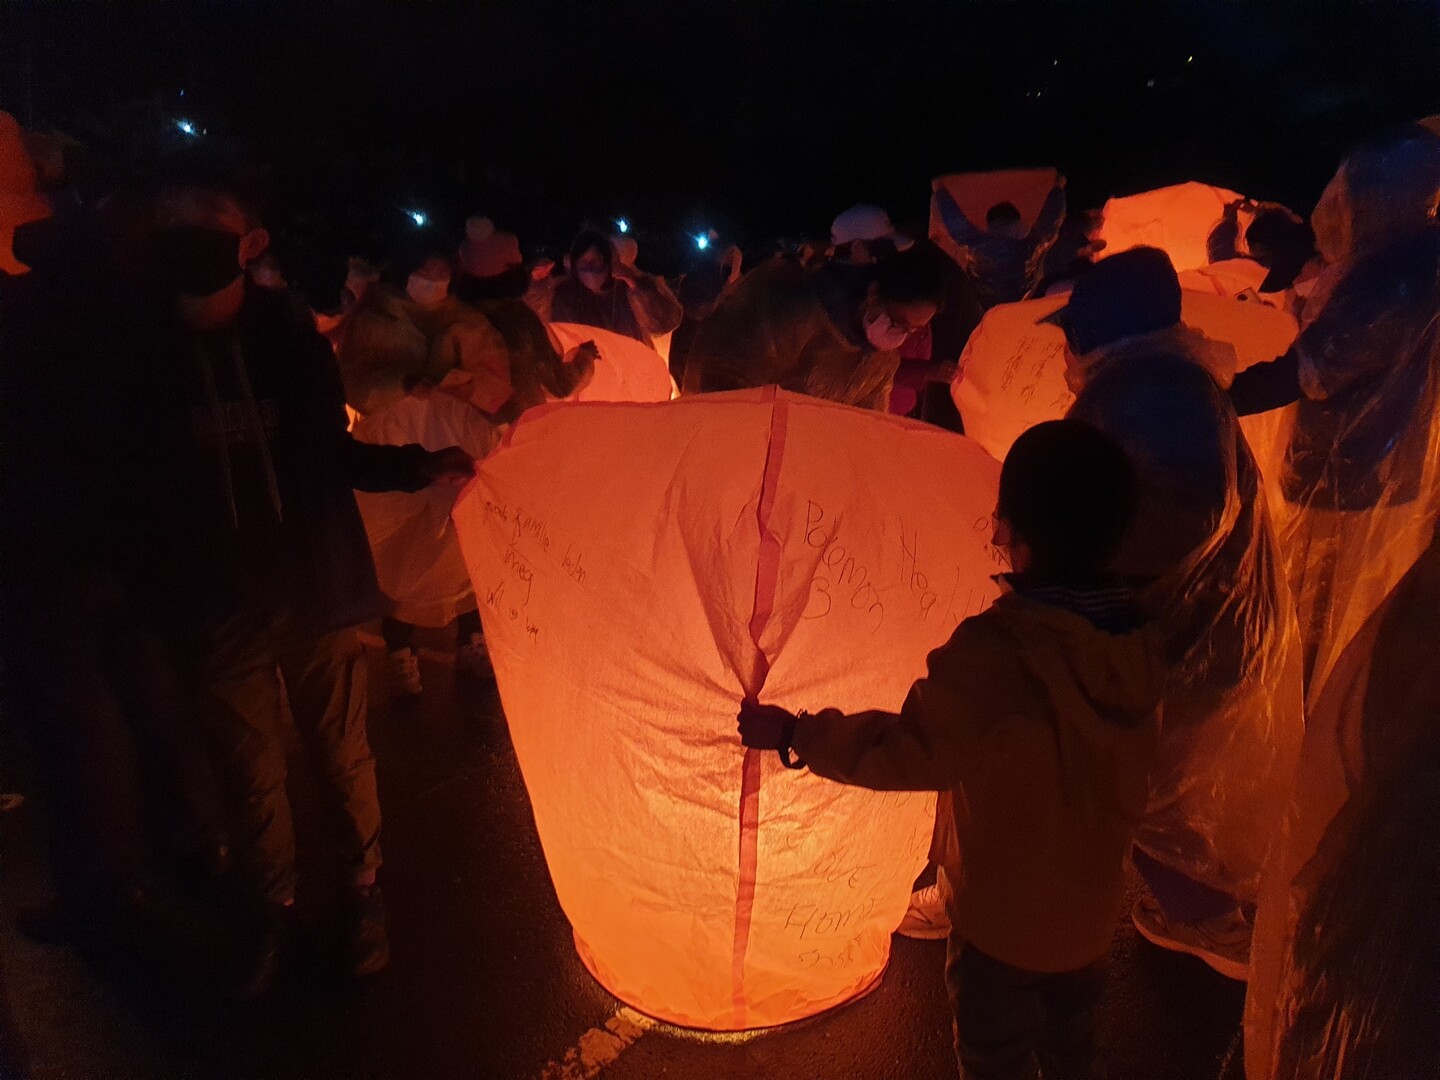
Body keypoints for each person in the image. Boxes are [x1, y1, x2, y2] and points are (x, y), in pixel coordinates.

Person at [131, 160, 474, 996]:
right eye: (170, 228)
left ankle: (362, 899)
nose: (186, 247)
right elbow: (128, 482)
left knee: (339, 755)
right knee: (250, 772)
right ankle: (273, 910)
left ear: (246, 245)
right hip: (215, 609)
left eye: (203, 230)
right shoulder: (141, 350)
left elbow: (330, 451)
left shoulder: (284, 334)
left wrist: (419, 466)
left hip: (313, 589)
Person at [739, 420, 1162, 1080]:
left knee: (994, 1055)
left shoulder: (1002, 655)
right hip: (1087, 921)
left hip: (1001, 924)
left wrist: (797, 734)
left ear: (1007, 531)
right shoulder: (1145, 644)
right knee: (1070, 1049)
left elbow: (911, 750)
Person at [1049, 247, 1305, 981]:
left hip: (1171, 639)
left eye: (1076, 327)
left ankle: (1206, 923)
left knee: (1138, 785)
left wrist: (1071, 594)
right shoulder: (1180, 383)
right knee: (1178, 788)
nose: (1068, 344)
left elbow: (1155, 526)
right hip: (1212, 629)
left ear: (1103, 329)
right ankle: (1211, 907)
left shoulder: (1135, 398)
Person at [680, 243, 946, 410]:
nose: (900, 337)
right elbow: (716, 377)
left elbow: (869, 427)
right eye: (899, 323)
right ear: (875, 293)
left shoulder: (880, 361)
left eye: (912, 331)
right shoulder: (789, 305)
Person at [934, 179, 1067, 308]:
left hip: (984, 309)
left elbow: (956, 223)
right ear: (1016, 223)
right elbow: (1049, 223)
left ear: (990, 226)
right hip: (1015, 307)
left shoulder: (978, 246)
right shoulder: (1029, 248)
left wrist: (939, 191)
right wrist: (1058, 187)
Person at [549, 228, 682, 348]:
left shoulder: (626, 288)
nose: (589, 270)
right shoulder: (566, 295)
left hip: (633, 366)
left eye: (595, 261)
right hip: (589, 370)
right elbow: (561, 340)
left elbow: (665, 323)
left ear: (608, 260)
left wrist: (638, 286)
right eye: (583, 263)